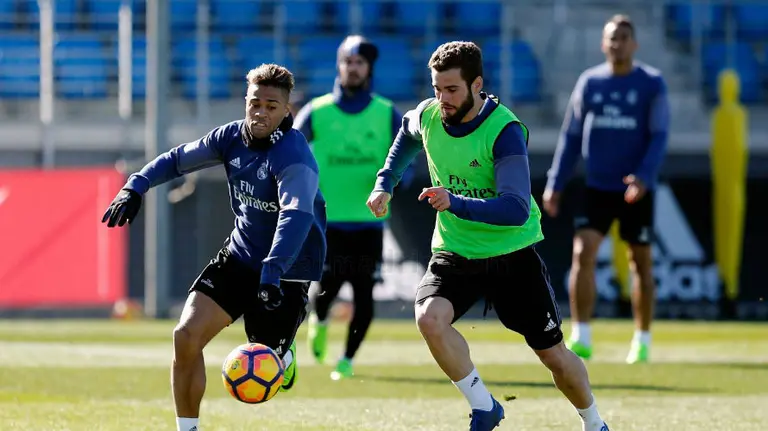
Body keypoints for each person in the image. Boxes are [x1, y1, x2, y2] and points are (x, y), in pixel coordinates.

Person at [367, 41, 610, 431]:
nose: (441, 99)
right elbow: (406, 135)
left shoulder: (504, 131)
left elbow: (515, 209)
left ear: (476, 84)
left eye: (451, 90)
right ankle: (484, 406)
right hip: (456, 252)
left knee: (554, 358)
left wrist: (455, 201)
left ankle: (594, 422)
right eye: (436, 89)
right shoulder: (428, 115)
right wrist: (385, 183)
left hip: (511, 256)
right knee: (429, 319)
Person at [101, 64, 327, 431]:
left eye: (272, 106)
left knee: (267, 366)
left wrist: (273, 270)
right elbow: (177, 160)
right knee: (185, 336)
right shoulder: (230, 138)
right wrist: (136, 185)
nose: (261, 113)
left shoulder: (294, 156)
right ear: (245, 102)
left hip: (288, 267)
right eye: (255, 103)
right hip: (239, 257)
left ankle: (283, 356)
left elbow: (296, 217)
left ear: (287, 111)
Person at [542, 14, 670, 364]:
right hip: (597, 186)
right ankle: (581, 336)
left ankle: (641, 340)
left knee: (639, 262)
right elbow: (570, 136)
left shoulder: (652, 83)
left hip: (636, 189)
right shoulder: (590, 83)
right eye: (612, 38)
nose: (618, 43)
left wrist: (644, 176)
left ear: (635, 44)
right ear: (603, 43)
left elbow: (659, 135)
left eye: (624, 37)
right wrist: (555, 182)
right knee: (583, 253)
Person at [294, 35, 405, 381]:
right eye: (347, 61)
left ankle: (347, 360)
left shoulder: (387, 113)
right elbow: (291, 151)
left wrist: (392, 183)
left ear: (369, 68)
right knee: (325, 290)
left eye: (359, 62)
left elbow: (409, 155)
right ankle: (320, 320)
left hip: (369, 223)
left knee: (364, 294)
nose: (352, 68)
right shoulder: (317, 111)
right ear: (339, 66)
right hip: (327, 221)